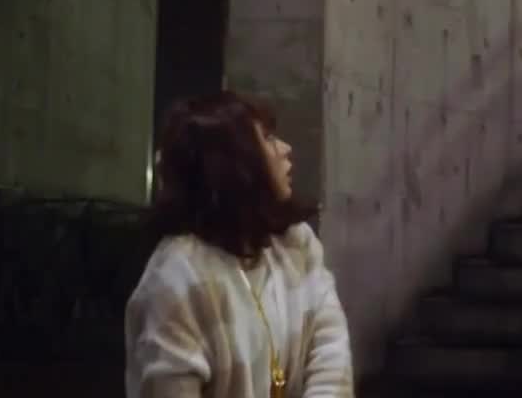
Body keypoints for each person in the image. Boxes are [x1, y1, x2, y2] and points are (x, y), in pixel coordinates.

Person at [125, 90, 354, 398]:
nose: (286, 149)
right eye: (268, 138)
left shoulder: (297, 244)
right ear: (233, 161)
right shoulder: (176, 280)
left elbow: (330, 352)